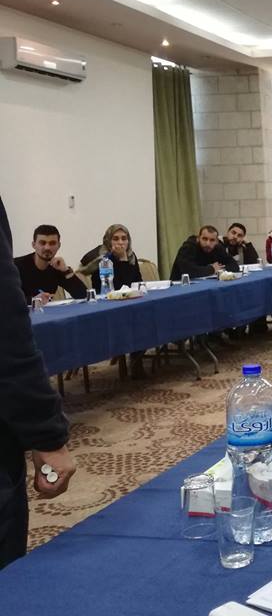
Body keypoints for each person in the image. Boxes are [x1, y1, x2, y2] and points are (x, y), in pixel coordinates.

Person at [0, 197, 77, 569]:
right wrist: (45, 435)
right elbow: (6, 327)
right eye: (42, 243)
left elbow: (81, 292)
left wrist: (67, 273)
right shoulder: (19, 266)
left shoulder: (54, 269)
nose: (48, 249)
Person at [14, 225, 87, 304]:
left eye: (52, 243)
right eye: (42, 243)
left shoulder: (57, 267)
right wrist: (33, 300)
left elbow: (84, 296)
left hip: (46, 312)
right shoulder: (15, 266)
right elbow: (7, 299)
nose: (47, 247)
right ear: (34, 245)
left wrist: (66, 271)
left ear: (59, 245)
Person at [86, 224, 143, 293]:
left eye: (124, 239)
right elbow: (119, 288)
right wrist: (123, 259)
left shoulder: (131, 256)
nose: (120, 242)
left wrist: (124, 258)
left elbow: (138, 283)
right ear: (108, 241)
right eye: (116, 239)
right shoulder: (103, 258)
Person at [170, 225, 240, 281]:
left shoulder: (218, 248)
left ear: (217, 241)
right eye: (204, 239)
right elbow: (188, 271)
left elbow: (234, 266)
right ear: (198, 238)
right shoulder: (188, 247)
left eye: (212, 240)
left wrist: (219, 269)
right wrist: (211, 269)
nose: (208, 244)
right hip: (180, 285)